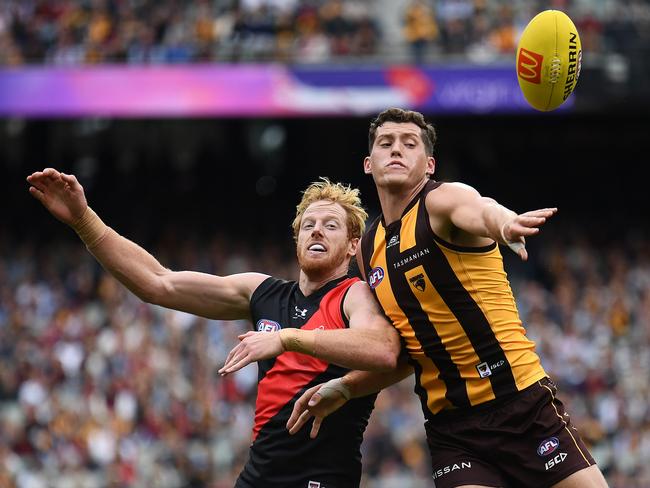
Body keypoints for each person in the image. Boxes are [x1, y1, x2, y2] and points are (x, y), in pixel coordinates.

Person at [287, 108, 609, 488]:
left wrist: (504, 223)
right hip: (452, 429)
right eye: (385, 144)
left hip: (520, 403)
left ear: (429, 164)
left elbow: (481, 208)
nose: (396, 151)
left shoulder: (441, 201)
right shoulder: (367, 248)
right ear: (368, 163)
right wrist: (346, 386)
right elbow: (401, 351)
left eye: (409, 144)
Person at [26, 168, 401, 488]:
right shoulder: (264, 292)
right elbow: (159, 283)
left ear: (354, 245)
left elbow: (383, 349)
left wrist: (287, 339)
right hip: (259, 477)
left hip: (322, 477)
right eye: (309, 225)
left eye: (330, 226)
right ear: (296, 238)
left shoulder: (354, 295)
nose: (317, 231)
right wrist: (83, 220)